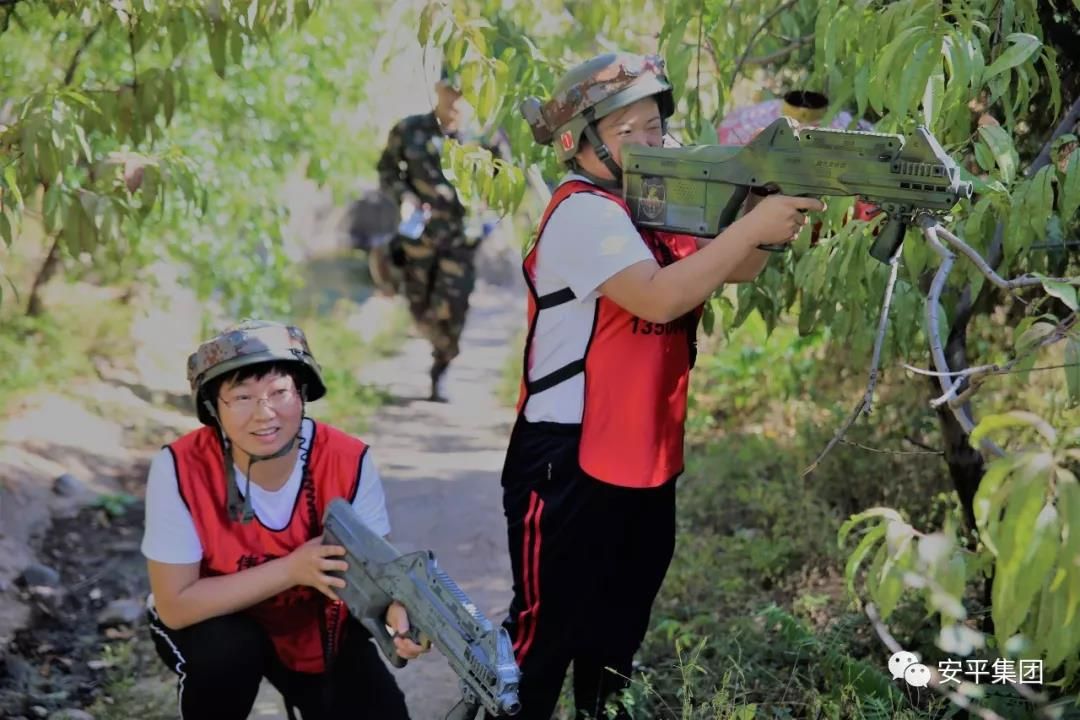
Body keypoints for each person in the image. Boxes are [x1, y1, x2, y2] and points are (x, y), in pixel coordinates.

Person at [501, 52, 825, 719]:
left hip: (641, 453)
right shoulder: (583, 212)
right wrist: (752, 225)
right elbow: (658, 296)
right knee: (543, 640)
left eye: (655, 126)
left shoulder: (649, 205)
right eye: (630, 131)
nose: (651, 141)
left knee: (616, 633)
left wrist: (763, 213)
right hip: (566, 459)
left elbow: (734, 269)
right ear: (580, 142)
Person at [140, 320, 427, 720]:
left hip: (315, 624)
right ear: (213, 407)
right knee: (226, 651)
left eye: (279, 392)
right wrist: (292, 569)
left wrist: (397, 615)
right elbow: (176, 606)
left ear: (302, 393)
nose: (264, 413)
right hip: (216, 622)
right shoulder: (180, 468)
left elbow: (375, 576)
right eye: (242, 396)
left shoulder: (348, 460)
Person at [376, 67, 481, 402]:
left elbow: (502, 185)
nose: (455, 99)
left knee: (454, 311)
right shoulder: (409, 130)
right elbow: (387, 170)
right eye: (450, 90)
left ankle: (442, 366)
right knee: (421, 310)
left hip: (459, 243)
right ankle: (434, 343)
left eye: (463, 93)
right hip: (418, 242)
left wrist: (485, 217)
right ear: (438, 88)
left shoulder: (481, 138)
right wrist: (405, 196)